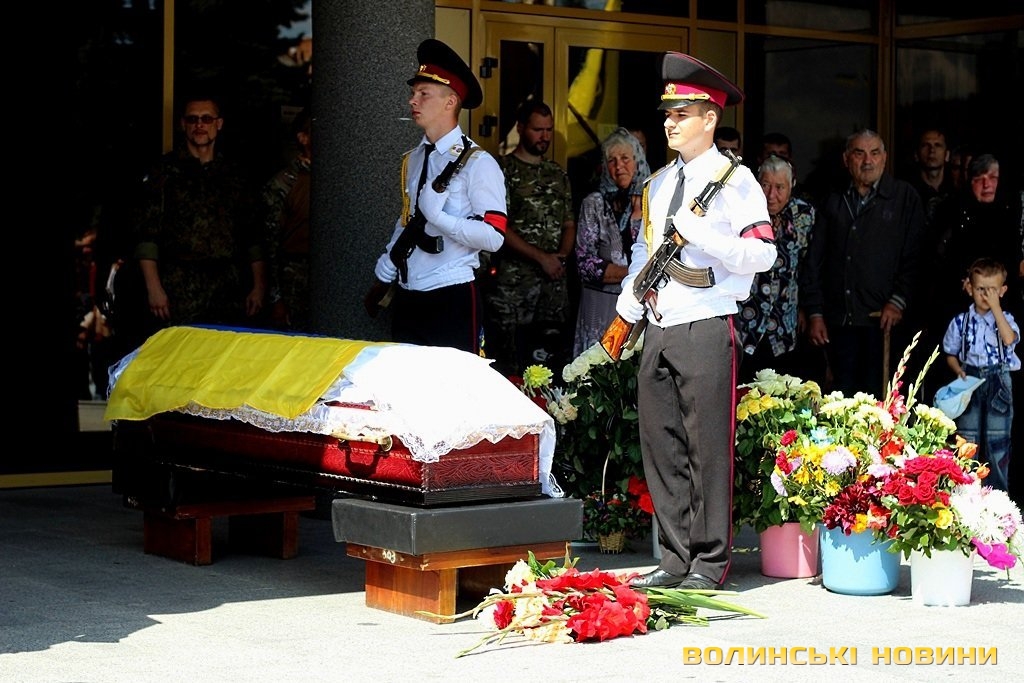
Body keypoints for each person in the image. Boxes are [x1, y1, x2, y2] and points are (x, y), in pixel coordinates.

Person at [616, 53, 776, 590]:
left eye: (682, 114)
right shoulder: (659, 183)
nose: (671, 123)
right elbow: (645, 250)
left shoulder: (736, 180)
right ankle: (674, 557)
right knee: (661, 445)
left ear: (710, 118)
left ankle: (709, 562)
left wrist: (704, 235)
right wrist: (629, 299)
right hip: (660, 323)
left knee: (706, 447)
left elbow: (764, 254)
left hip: (706, 322)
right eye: (668, 114)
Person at [366, 39, 506, 354]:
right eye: (413, 93)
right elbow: (408, 218)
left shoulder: (478, 163)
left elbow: (494, 237)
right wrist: (390, 258)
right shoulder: (414, 158)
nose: (412, 100)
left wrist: (441, 219)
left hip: (450, 294)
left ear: (450, 102)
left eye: (423, 93)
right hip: (409, 293)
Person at [800, 129, 925, 397]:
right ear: (847, 159)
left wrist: (898, 300)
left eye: (875, 153)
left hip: (883, 323)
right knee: (839, 399)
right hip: (838, 323)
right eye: (859, 153)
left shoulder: (904, 197)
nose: (868, 161)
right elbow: (815, 261)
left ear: (885, 158)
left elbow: (916, 256)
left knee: (879, 400)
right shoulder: (833, 198)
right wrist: (815, 312)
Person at [133, 95, 266, 331]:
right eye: (192, 119)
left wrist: (259, 286)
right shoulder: (164, 173)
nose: (199, 125)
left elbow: (253, 236)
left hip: (228, 289)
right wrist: (154, 289)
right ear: (182, 124)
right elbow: (147, 237)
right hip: (178, 288)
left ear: (219, 123)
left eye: (206, 119)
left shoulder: (234, 176)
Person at [485, 101, 576, 375]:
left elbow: (569, 223)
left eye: (549, 130)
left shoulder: (558, 174)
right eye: (538, 130)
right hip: (513, 288)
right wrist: (542, 258)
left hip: (552, 288)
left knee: (551, 366)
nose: (545, 136)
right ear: (521, 128)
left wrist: (561, 257)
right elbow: (498, 227)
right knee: (509, 366)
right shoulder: (502, 171)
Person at [941, 257, 1020, 492]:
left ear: (1002, 291)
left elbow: (1009, 339)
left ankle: (998, 494)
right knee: (967, 437)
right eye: (980, 289)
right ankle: (966, 491)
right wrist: (958, 370)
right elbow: (950, 352)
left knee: (998, 439)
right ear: (969, 288)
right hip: (970, 379)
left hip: (999, 380)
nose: (986, 295)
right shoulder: (961, 321)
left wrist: (996, 308)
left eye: (992, 290)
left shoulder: (1006, 319)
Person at [737, 153, 816, 383]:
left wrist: (807, 309)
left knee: (781, 391)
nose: (771, 195)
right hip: (746, 323)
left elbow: (809, 265)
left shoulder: (804, 215)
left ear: (792, 186)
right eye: (765, 185)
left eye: (780, 187)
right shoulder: (742, 211)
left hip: (784, 323)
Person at [572, 127, 651, 356]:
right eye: (611, 160)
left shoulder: (653, 201)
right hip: (600, 308)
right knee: (595, 367)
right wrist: (636, 274)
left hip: (639, 311)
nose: (619, 166)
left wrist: (637, 215)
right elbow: (585, 265)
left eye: (625, 158)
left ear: (637, 161)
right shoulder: (594, 204)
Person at [263, 108, 312, 331]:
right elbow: (270, 244)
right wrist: (276, 298)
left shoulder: (337, 179)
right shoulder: (283, 183)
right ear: (303, 138)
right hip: (294, 278)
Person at [904, 127, 955, 226]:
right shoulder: (906, 192)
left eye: (938, 145)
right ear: (916, 155)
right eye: (925, 145)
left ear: (947, 155)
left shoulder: (956, 190)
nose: (932, 150)